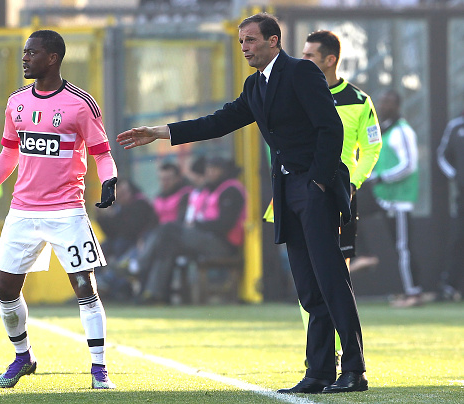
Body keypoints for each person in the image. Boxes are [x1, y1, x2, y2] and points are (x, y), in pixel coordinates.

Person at [117, 12, 367, 394]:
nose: (244, 48)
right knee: (308, 288)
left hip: (313, 190)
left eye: (250, 40)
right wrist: (159, 132)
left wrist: (317, 181)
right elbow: (217, 122)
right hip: (287, 192)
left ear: (273, 40)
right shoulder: (255, 86)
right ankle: (319, 373)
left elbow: (330, 128)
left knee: (331, 279)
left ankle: (354, 370)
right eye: (241, 42)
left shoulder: (301, 72)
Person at [0, 30, 118, 390]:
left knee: (84, 286)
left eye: (32, 52)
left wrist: (109, 180)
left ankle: (99, 368)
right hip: (23, 211)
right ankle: (23, 357)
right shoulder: (17, 102)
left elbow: (102, 154)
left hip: (66, 211)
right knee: (5, 287)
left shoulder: (80, 104)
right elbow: (9, 153)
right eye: (24, 52)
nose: (24, 58)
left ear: (52, 58)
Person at [298, 29, 382, 369]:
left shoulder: (359, 101)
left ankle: (342, 353)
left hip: (340, 198)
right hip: (302, 196)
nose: (302, 60)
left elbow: (372, 147)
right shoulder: (298, 95)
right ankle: (321, 354)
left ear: (330, 59)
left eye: (309, 55)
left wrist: (353, 183)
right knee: (306, 280)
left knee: (335, 278)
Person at [135, 156, 245, 304]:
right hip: (205, 239)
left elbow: (224, 225)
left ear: (223, 171)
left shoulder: (231, 189)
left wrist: (197, 225)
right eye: (209, 169)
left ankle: (140, 264)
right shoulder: (209, 189)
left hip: (223, 244)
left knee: (168, 229)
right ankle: (154, 294)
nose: (210, 173)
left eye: (215, 169)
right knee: (167, 246)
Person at [366, 90, 422, 308]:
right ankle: (364, 255)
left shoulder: (403, 131)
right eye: (381, 102)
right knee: (349, 210)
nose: (383, 106)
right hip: (384, 197)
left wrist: (382, 178)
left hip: (399, 200)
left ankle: (413, 293)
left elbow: (409, 165)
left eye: (388, 102)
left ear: (397, 105)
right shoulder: (383, 130)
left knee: (404, 248)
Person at [96, 179, 158, 300]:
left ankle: (111, 282)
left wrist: (113, 217)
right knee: (101, 248)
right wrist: (102, 218)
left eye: (125, 192)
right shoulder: (117, 207)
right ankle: (96, 281)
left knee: (120, 246)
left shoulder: (140, 204)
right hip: (122, 241)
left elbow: (130, 230)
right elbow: (111, 233)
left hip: (138, 241)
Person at [436, 108, 464, 301]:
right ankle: (450, 286)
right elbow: (442, 155)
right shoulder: (456, 126)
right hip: (462, 195)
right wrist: (456, 176)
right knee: (458, 239)